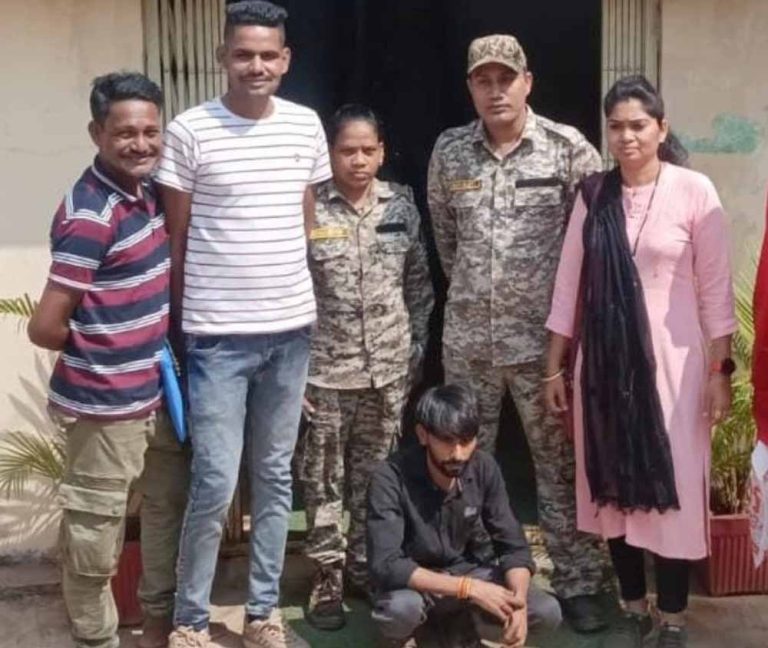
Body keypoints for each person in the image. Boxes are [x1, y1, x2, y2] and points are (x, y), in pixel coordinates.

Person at [155, 2, 331, 646]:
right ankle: (190, 620)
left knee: (276, 477)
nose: (255, 65)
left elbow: (305, 225)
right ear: (222, 57)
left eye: (267, 54)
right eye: (243, 54)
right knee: (215, 481)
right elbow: (176, 240)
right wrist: (182, 333)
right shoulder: (190, 130)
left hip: (290, 335)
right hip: (217, 340)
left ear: (285, 60)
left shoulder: (305, 126)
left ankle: (262, 614)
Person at [544, 75, 737, 648]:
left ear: (661, 128)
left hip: (675, 372)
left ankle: (672, 618)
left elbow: (716, 291)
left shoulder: (695, 191)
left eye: (638, 125)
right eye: (616, 127)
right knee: (612, 489)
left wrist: (721, 372)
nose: (627, 137)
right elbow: (568, 286)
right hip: (603, 369)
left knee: (673, 489)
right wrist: (555, 367)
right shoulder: (594, 196)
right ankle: (632, 608)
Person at [427, 33, 608, 631]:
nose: (496, 90)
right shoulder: (450, 152)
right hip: (470, 343)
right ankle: (471, 580)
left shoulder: (567, 149)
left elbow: (593, 245)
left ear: (527, 81)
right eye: (483, 80)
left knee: (559, 465)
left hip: (544, 348)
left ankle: (580, 581)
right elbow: (447, 244)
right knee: (460, 465)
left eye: (506, 78)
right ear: (470, 88)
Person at [27, 72, 190, 648]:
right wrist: (107, 353)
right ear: (97, 134)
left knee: (167, 506)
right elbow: (44, 326)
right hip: (103, 407)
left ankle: (157, 625)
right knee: (94, 541)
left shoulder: (147, 194)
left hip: (156, 393)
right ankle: (97, 639)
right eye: (125, 133)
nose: (140, 144)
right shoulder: (91, 214)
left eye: (150, 131)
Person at [297, 104, 434, 630]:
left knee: (375, 478)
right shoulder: (309, 206)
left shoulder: (401, 204)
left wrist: (414, 354)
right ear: (330, 153)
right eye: (346, 150)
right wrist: (294, 370)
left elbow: (418, 286)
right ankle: (327, 578)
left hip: (387, 373)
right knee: (323, 481)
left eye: (367, 150)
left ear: (382, 153)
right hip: (325, 374)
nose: (357, 160)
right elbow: (290, 288)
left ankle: (363, 565)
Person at [366, 383, 562, 648]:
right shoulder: (390, 477)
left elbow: (513, 547)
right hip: (417, 582)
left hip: (470, 571)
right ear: (423, 435)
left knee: (545, 611)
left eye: (466, 441)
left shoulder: (484, 467)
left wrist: (518, 603)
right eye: (447, 441)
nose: (457, 454)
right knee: (400, 610)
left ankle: (459, 626)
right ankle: (412, 636)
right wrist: (467, 588)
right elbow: (386, 564)